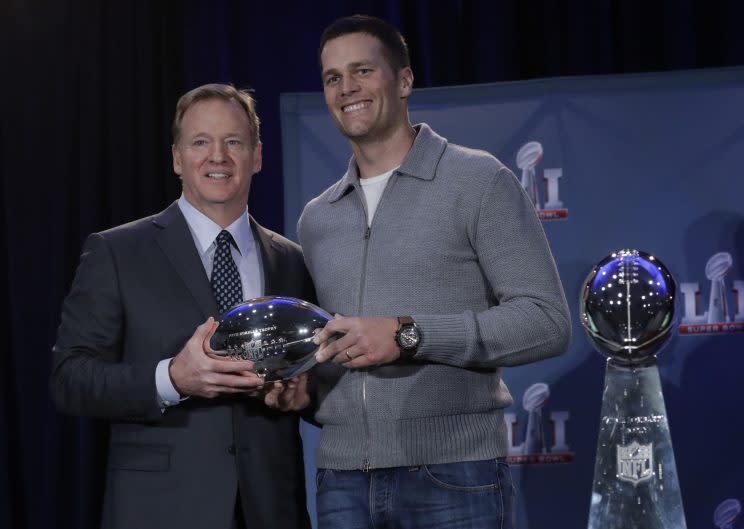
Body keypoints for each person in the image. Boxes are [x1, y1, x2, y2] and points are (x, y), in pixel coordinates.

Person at [295, 15, 572, 529]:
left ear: (403, 81)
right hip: (342, 481)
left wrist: (408, 334)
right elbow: (332, 353)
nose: (346, 88)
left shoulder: (478, 181)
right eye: (333, 77)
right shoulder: (318, 217)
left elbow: (546, 320)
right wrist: (303, 390)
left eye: (362, 71)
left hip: (454, 474)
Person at [51, 83, 313, 529]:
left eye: (233, 142)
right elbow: (70, 379)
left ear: (257, 155)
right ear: (177, 158)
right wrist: (172, 378)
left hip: (271, 509)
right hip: (161, 510)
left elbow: (315, 373)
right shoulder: (117, 252)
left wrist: (302, 392)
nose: (218, 156)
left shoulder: (290, 259)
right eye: (200, 142)